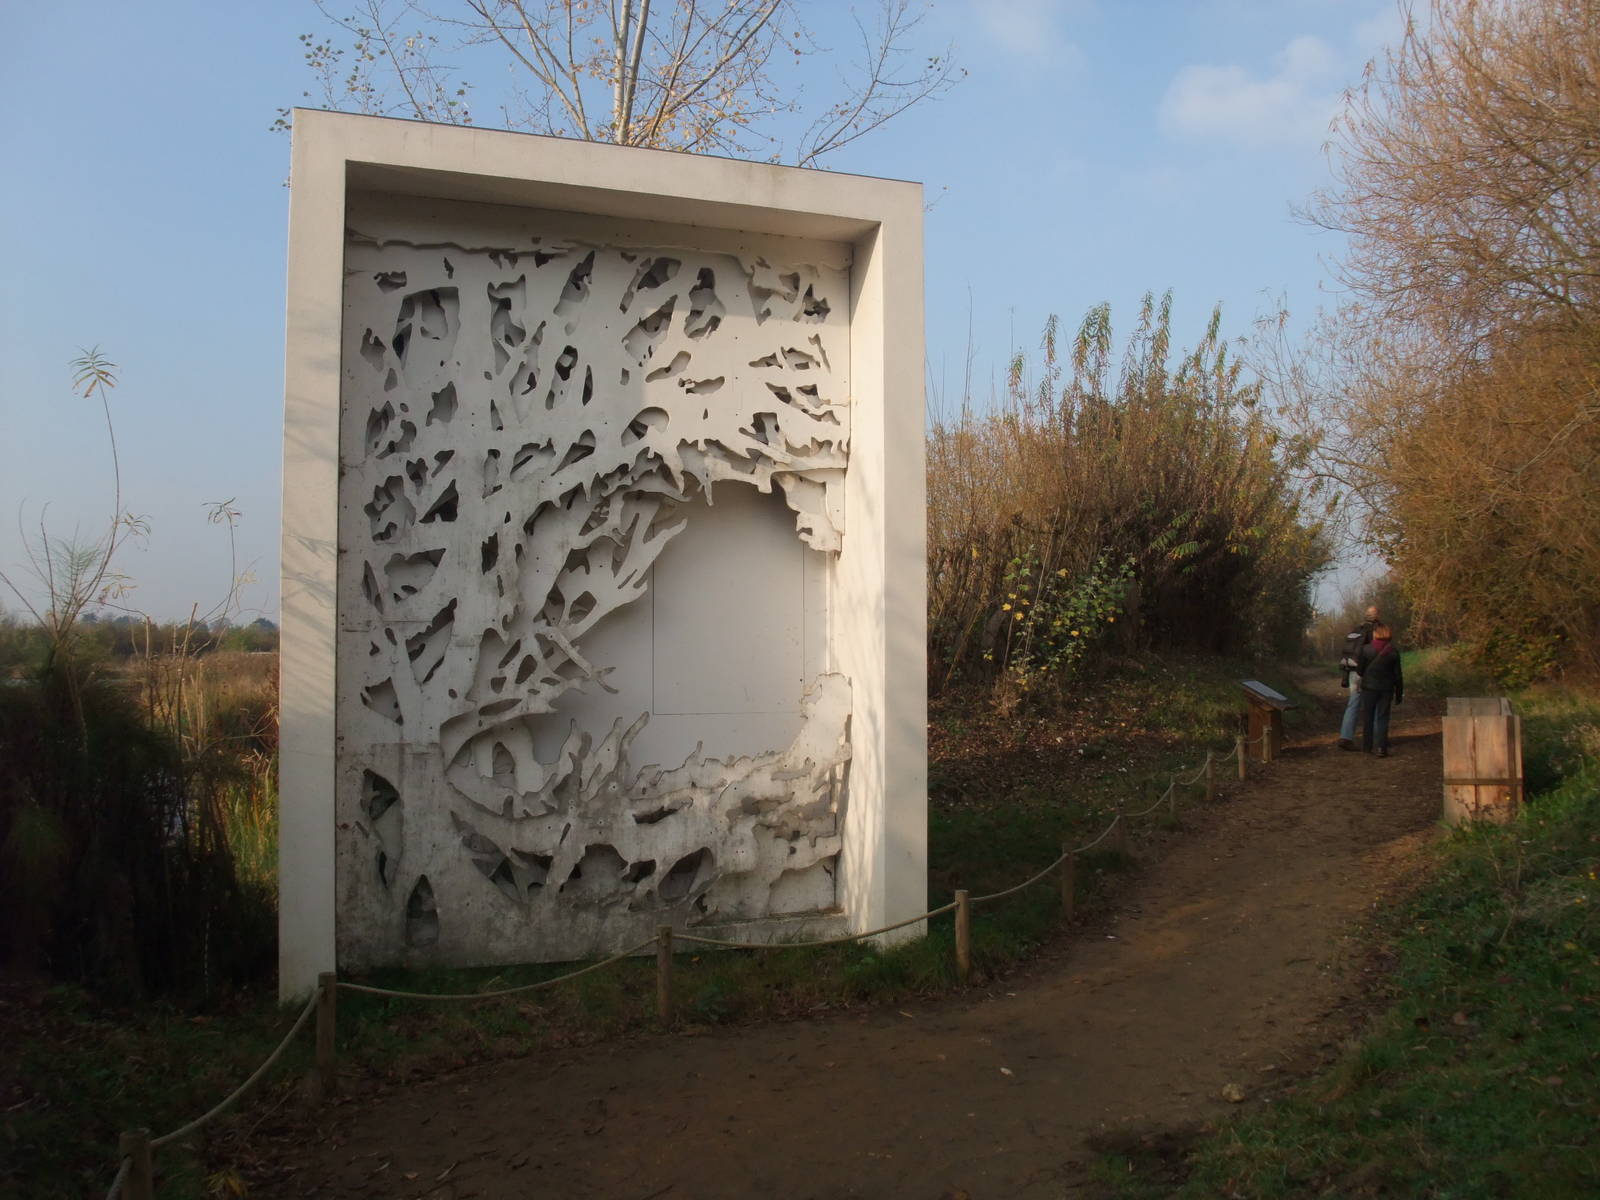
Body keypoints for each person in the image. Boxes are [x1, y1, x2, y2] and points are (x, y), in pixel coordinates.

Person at [1356, 622, 1404, 756]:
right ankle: (1381, 748)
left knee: (1368, 717)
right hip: (1386, 689)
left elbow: (1359, 671)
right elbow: (1398, 676)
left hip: (1369, 688)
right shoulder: (1393, 651)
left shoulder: (1365, 649)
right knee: (1382, 718)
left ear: (1376, 634)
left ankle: (1367, 747)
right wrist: (1399, 694)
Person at [1338, 605, 1379, 750]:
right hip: (1366, 671)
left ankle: (1346, 736)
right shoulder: (1375, 630)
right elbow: (1376, 652)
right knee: (1374, 703)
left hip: (1352, 671)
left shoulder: (1357, 629)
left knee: (1353, 702)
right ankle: (1375, 739)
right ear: (1376, 616)